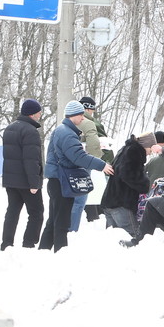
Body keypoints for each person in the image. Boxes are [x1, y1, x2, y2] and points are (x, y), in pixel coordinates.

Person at [39, 101, 110, 252]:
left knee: (54, 219)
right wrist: (101, 165)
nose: (83, 119)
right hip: (62, 181)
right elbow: (78, 157)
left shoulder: (62, 130)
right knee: (62, 220)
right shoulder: (67, 134)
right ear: (75, 116)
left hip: (56, 180)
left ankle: (44, 250)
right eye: (81, 116)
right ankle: (60, 252)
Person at [0, 99, 45, 250]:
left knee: (12, 211)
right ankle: (29, 243)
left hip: (11, 179)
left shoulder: (10, 128)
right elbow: (31, 160)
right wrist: (34, 183)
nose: (40, 114)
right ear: (33, 114)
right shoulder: (30, 131)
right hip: (26, 181)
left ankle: (6, 243)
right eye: (39, 111)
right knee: (36, 212)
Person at [102, 132, 156, 236]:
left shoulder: (124, 150)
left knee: (112, 240)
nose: (151, 152)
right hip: (121, 204)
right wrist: (145, 184)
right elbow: (128, 174)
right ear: (146, 145)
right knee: (134, 238)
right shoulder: (134, 152)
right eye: (151, 148)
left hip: (110, 202)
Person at [72, 96, 103, 230]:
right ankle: (76, 227)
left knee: (76, 196)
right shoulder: (91, 123)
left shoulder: (67, 123)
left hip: (73, 163)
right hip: (87, 161)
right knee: (82, 196)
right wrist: (99, 159)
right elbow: (95, 144)